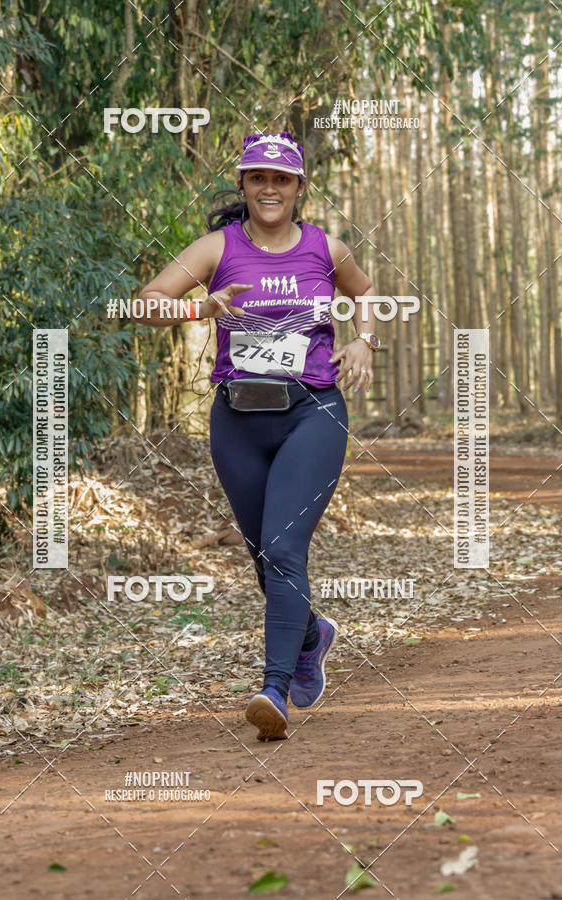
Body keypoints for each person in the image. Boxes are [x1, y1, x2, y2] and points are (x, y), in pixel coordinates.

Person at [136, 131, 378, 741]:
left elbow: (368, 293)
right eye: (257, 178)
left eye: (282, 179)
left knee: (283, 547)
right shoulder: (220, 247)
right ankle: (311, 634)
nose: (269, 188)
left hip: (312, 413)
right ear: (243, 186)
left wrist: (363, 339)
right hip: (237, 421)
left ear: (300, 188)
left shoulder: (327, 248)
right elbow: (146, 303)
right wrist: (202, 309)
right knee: (262, 554)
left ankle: (274, 689)